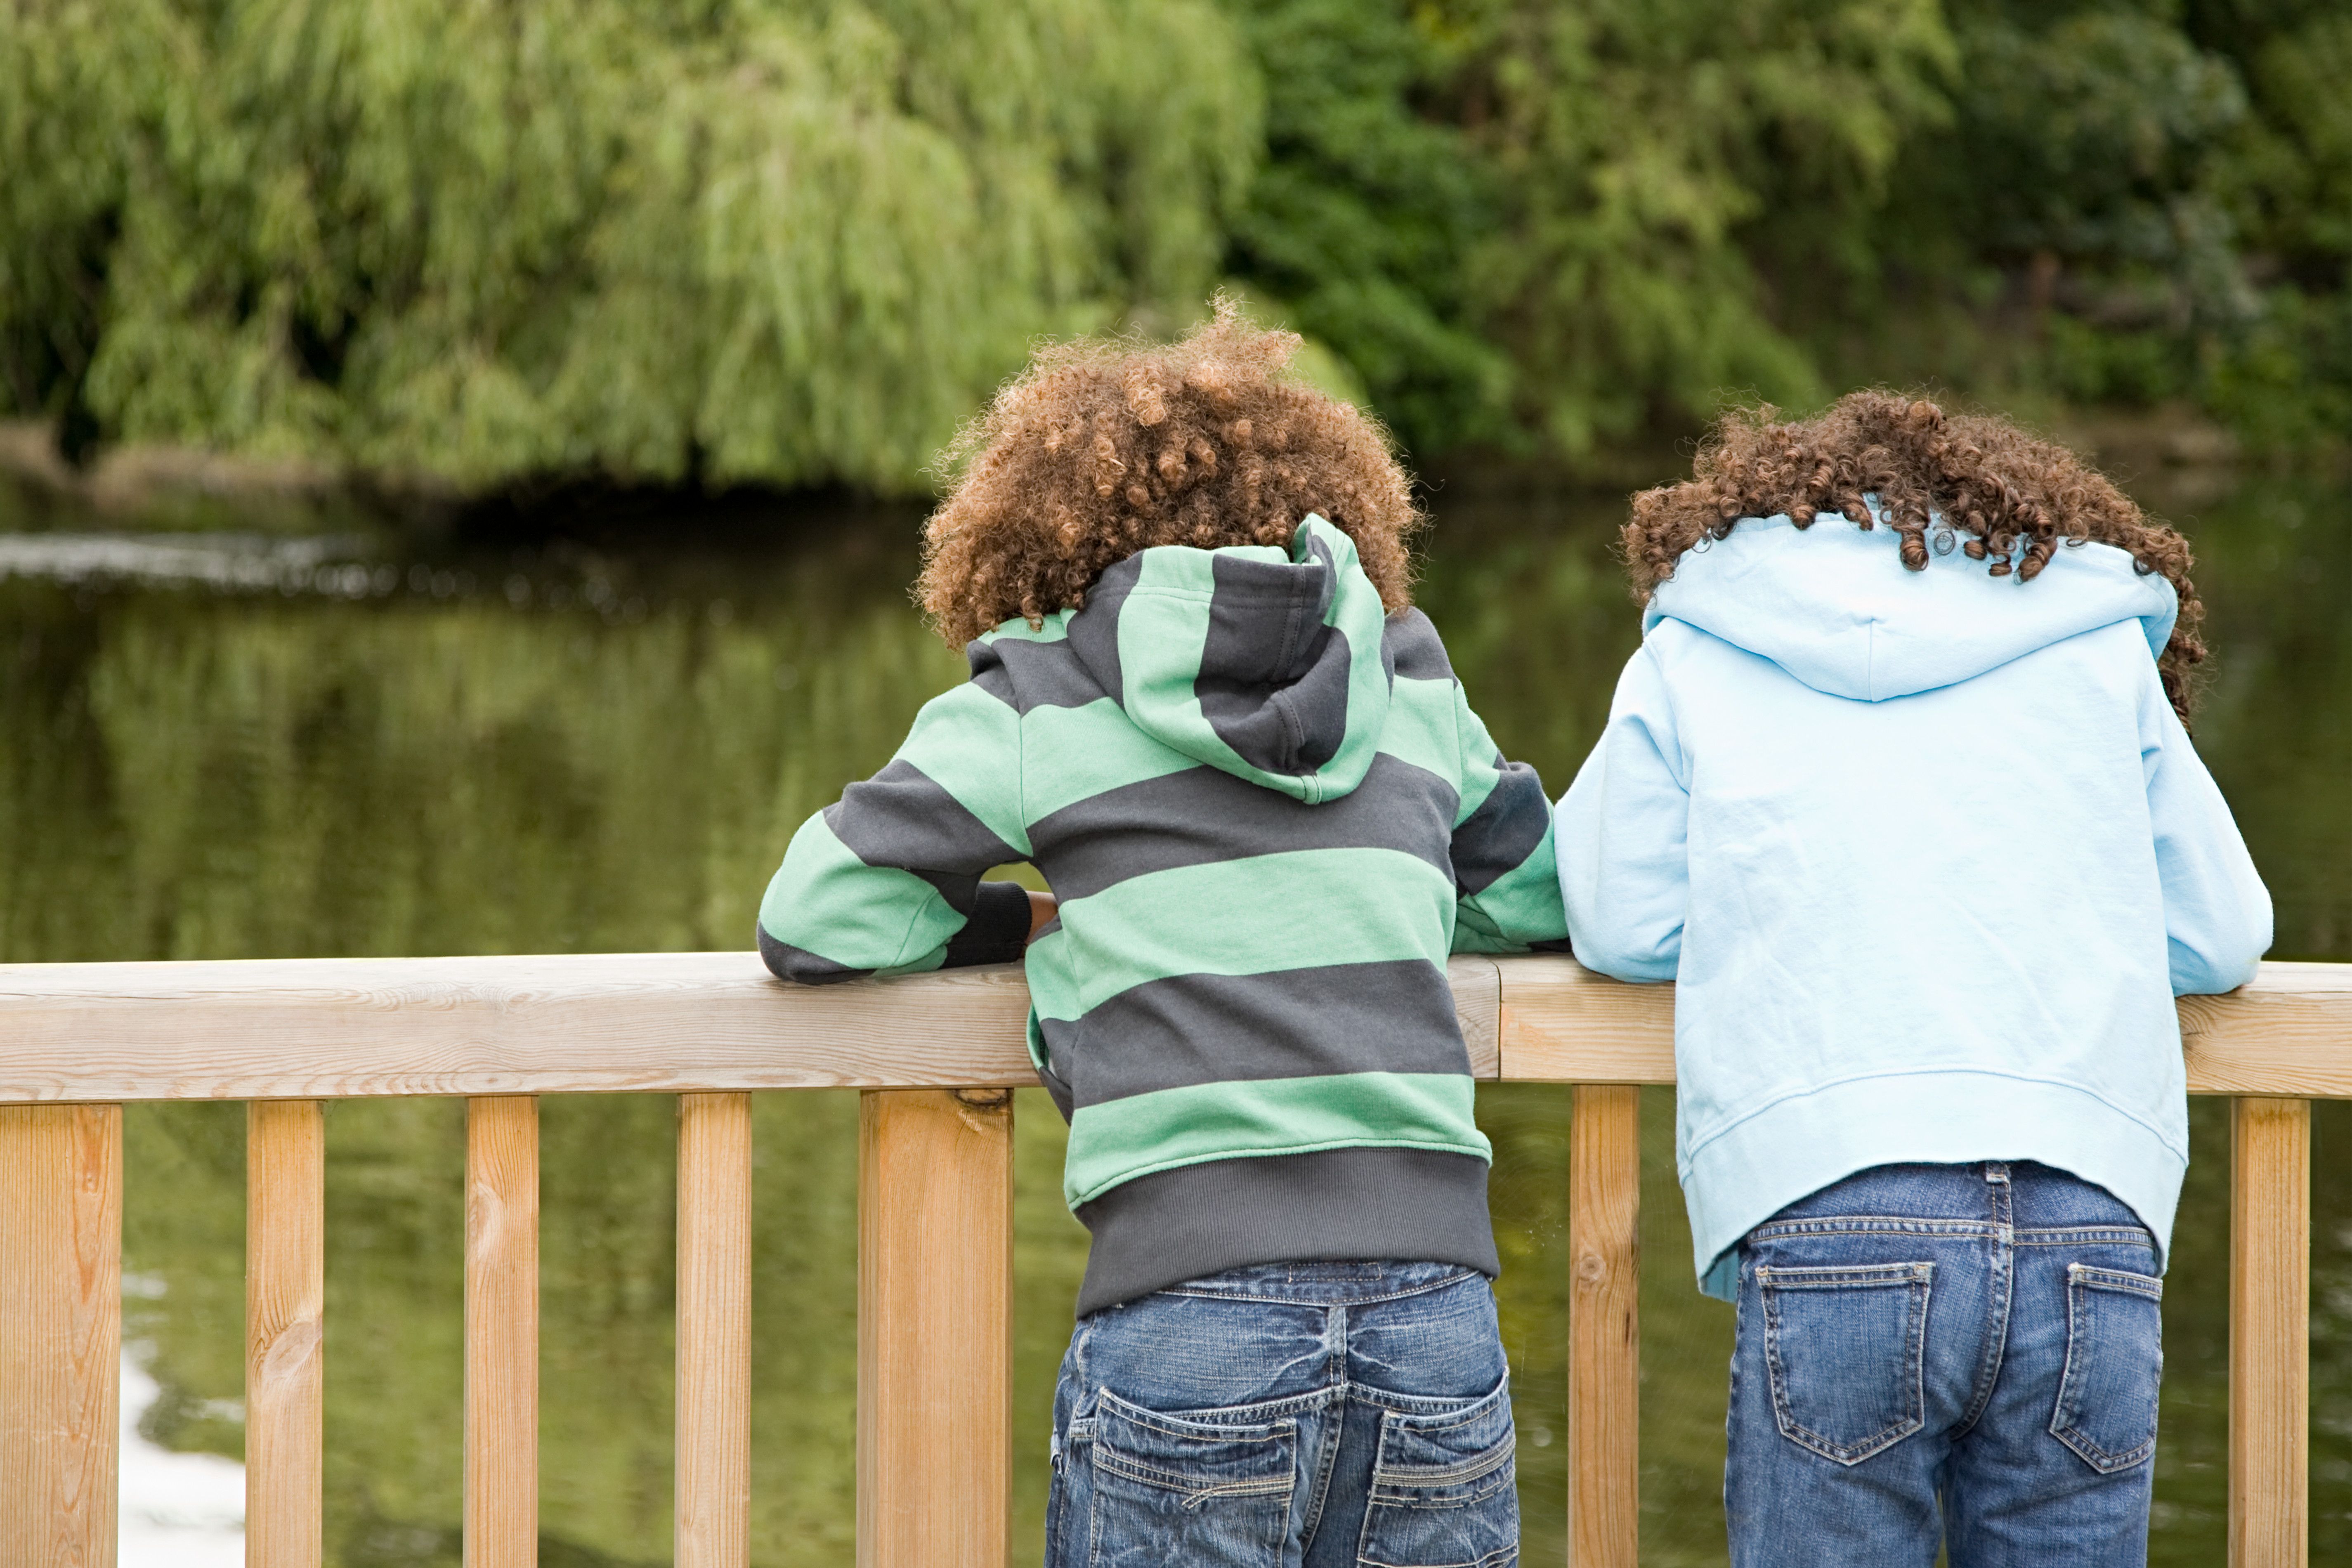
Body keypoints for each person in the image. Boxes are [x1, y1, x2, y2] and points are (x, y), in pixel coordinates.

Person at [756, 301, 1568, 1566]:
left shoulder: (1040, 688)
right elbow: (1538, 900)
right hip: (1433, 1312)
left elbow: (815, 917)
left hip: (1191, 1317)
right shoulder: (1403, 677)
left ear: (1033, 532)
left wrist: (1031, 922)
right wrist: (1376, 893)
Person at [1556, 391, 2273, 1565]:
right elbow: (2221, 932)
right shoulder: (2090, 647)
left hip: (1832, 1197)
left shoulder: (1701, 642)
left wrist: (1782, 917)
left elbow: (1619, 919)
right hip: (2086, 1211)